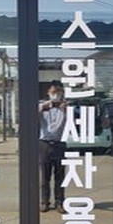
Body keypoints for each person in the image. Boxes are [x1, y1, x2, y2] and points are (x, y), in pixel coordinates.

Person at [39, 81, 67, 213]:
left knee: (60, 176)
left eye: (59, 92)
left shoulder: (65, 107)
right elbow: (30, 115)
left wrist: (65, 109)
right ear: (48, 93)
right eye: (54, 92)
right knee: (45, 176)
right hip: (45, 144)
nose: (56, 95)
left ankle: (59, 202)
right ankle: (45, 202)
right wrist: (45, 106)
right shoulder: (43, 106)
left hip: (59, 144)